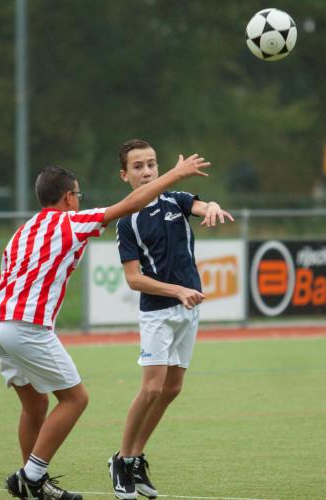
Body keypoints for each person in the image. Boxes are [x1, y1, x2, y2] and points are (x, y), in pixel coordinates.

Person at [0, 153, 211, 500]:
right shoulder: (68, 222)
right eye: (78, 196)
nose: (79, 201)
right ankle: (30, 476)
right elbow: (131, 203)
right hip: (26, 325)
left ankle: (36, 484)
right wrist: (176, 175)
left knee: (35, 407)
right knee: (75, 399)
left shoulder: (24, 229)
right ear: (68, 198)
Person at [109, 139, 234, 500]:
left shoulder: (174, 200)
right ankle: (121, 459)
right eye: (138, 166)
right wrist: (176, 290)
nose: (147, 171)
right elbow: (134, 279)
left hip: (189, 308)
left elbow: (200, 204)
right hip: (158, 313)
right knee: (151, 389)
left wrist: (212, 206)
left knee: (173, 389)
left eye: (151, 164)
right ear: (124, 175)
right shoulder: (126, 220)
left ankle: (135, 459)